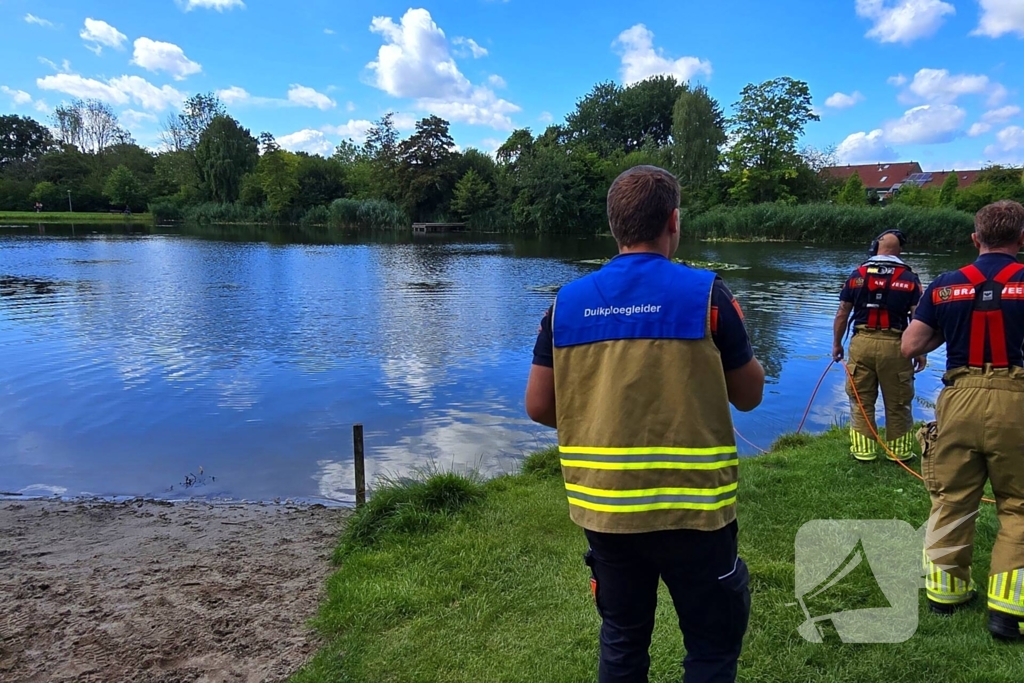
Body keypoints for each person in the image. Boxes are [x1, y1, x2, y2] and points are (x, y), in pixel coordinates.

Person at [525, 165, 765, 682]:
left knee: (624, 639)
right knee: (710, 647)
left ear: (614, 225)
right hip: (696, 510)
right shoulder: (709, 296)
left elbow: (540, 407)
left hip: (607, 508)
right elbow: (749, 396)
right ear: (673, 222)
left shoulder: (564, 304)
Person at [902, 200, 1024, 639]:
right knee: (1019, 505)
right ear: (1022, 239)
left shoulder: (946, 285)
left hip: (959, 396)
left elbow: (910, 346)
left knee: (952, 498)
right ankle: (1008, 612)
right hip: (1018, 399)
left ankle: (946, 593)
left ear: (976, 239)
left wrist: (947, 329)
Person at [832, 230, 925, 462]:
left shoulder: (857, 275)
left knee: (861, 400)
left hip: (861, 344)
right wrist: (919, 351)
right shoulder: (909, 278)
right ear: (898, 251)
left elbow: (842, 313)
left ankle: (864, 451)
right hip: (896, 345)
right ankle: (900, 452)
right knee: (899, 401)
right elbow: (919, 318)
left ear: (875, 248)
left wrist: (836, 344)